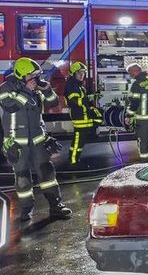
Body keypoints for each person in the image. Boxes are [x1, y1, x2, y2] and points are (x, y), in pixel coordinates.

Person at [1, 58, 71, 220]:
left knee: (47, 174)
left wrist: (46, 90)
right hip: (17, 142)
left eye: (37, 75)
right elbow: (10, 106)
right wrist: (26, 91)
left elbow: (53, 103)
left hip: (38, 140)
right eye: (32, 75)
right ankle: (26, 210)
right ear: (21, 75)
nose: (36, 78)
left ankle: (56, 206)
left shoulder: (35, 86)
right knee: (23, 177)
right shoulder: (6, 88)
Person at [64, 61, 102, 167]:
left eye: (83, 73)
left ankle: (75, 159)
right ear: (73, 74)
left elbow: (83, 99)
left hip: (83, 115)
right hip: (79, 116)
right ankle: (72, 160)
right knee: (78, 140)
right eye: (79, 73)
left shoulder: (78, 85)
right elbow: (74, 101)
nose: (82, 75)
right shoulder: (72, 85)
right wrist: (86, 101)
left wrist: (92, 97)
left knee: (81, 140)